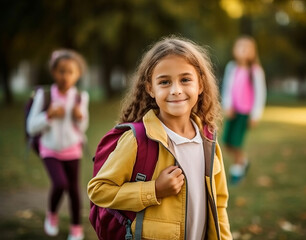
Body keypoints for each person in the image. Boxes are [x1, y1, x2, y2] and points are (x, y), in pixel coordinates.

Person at [87, 36, 232, 240]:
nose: (176, 90)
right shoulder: (137, 140)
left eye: (185, 79)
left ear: (200, 84)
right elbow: (98, 190)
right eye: (164, 82)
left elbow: (219, 205)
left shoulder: (208, 140)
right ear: (150, 88)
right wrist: (153, 189)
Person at [26, 49, 89, 240]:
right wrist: (48, 116)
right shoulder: (43, 95)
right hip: (49, 149)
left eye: (71, 72)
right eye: (61, 71)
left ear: (78, 75)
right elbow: (31, 127)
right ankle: (52, 215)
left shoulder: (80, 97)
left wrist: (79, 117)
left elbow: (83, 126)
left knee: (74, 191)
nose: (66, 76)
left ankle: (76, 228)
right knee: (60, 183)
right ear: (54, 72)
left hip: (73, 149)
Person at [221, 36, 266, 185]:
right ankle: (244, 162)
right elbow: (227, 88)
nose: (243, 50)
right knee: (227, 142)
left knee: (236, 143)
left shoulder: (255, 71)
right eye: (240, 47)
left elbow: (260, 94)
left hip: (245, 114)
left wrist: (255, 115)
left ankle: (237, 170)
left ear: (253, 52)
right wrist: (227, 106)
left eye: (247, 48)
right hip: (233, 112)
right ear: (234, 50)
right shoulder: (231, 68)